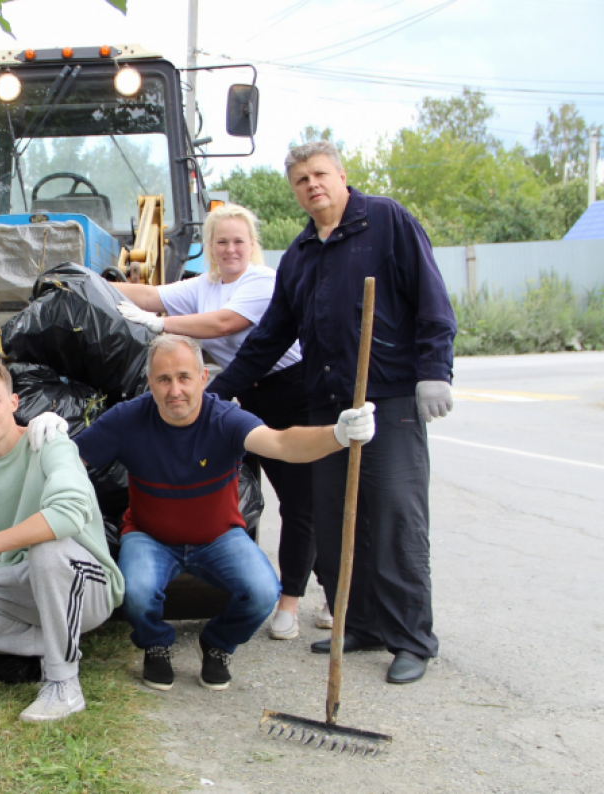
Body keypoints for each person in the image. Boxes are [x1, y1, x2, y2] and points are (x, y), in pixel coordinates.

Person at [208, 140, 457, 685]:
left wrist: (435, 369)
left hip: (387, 398)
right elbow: (269, 336)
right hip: (325, 409)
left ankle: (411, 637)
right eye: (301, 180)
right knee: (338, 519)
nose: (312, 185)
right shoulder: (299, 255)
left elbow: (432, 299)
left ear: (342, 176)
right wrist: (221, 391)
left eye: (320, 174)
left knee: (394, 519)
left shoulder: (387, 221)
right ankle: (361, 621)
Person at [57, 335, 374, 691]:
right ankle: (156, 643)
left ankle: (218, 644)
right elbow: (70, 460)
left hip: (219, 537)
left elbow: (282, 444)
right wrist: (43, 436)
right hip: (149, 536)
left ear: (203, 378)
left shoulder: (225, 419)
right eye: (163, 379)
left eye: (184, 377)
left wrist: (338, 434)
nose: (174, 389)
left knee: (263, 592)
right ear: (150, 383)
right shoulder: (127, 419)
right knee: (136, 592)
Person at [114, 203, 323, 641]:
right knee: (250, 489)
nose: (230, 249)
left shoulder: (263, 280)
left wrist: (156, 324)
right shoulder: (205, 284)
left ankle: (292, 600)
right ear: (209, 247)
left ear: (252, 245)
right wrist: (91, 283)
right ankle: (318, 588)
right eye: (221, 242)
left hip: (291, 393)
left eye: (238, 241)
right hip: (245, 392)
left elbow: (224, 323)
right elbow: (150, 295)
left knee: (300, 501)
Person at [0, 354, 124, 723]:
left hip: (84, 584)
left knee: (47, 549)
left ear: (13, 403)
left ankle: (63, 683)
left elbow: (69, 512)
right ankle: (57, 643)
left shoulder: (49, 443)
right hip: (24, 585)